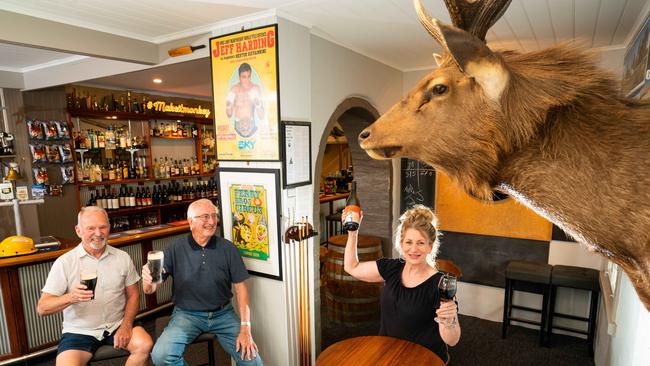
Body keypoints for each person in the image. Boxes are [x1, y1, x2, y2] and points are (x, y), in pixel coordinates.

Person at [144, 198, 263, 366]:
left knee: (253, 362)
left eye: (214, 216)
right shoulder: (175, 248)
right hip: (187, 315)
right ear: (191, 222)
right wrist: (148, 281)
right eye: (205, 217)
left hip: (223, 314)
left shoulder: (228, 248)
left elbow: (241, 289)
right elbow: (150, 289)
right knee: (161, 356)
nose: (212, 221)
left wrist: (245, 327)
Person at [343, 204, 461, 363]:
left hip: (425, 359)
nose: (413, 249)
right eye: (409, 242)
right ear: (402, 243)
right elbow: (352, 267)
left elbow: (452, 340)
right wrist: (353, 233)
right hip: (389, 354)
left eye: (420, 243)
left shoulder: (440, 284)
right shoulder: (391, 268)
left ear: (430, 247)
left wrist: (449, 321)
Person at [37, 206, 153, 366]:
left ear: (109, 228)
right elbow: (42, 308)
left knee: (144, 345)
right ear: (78, 231)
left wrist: (126, 325)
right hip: (79, 331)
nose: (98, 233)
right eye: (91, 228)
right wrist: (71, 297)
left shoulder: (122, 258)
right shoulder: (65, 262)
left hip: (116, 324)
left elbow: (133, 295)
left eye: (103, 227)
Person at [225, 62, 265, 138]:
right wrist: (228, 106)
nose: (247, 80)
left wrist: (258, 104)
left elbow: (261, 116)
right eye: (244, 77)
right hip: (238, 125)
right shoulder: (234, 89)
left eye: (249, 76)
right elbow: (229, 115)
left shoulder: (255, 88)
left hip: (251, 125)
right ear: (239, 77)